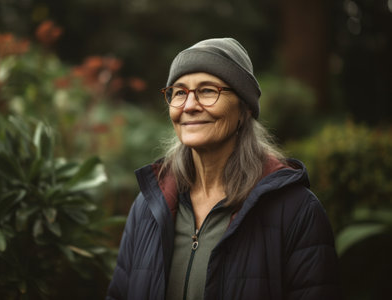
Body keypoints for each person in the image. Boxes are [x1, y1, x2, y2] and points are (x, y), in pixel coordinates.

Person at [106, 37, 340, 300]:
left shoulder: (297, 211)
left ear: (245, 109)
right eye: (180, 92)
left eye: (207, 91)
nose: (190, 105)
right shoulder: (149, 205)